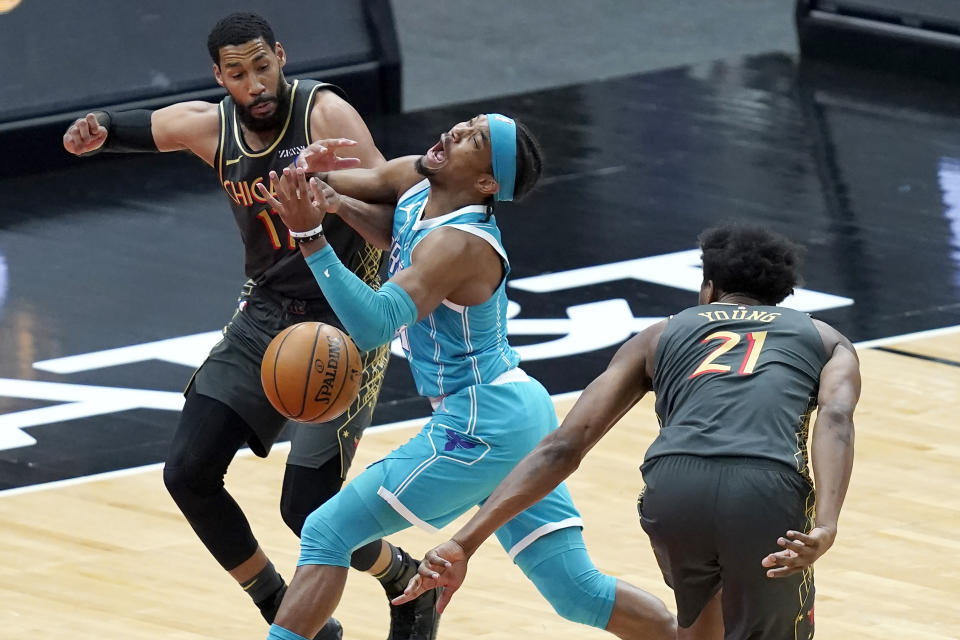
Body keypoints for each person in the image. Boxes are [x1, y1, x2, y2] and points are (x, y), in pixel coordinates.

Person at [60, 12, 440, 640]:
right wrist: (96, 131)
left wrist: (333, 197)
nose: (254, 83)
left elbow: (396, 212)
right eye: (237, 73)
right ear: (220, 77)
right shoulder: (211, 127)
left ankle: (405, 580)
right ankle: (282, 608)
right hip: (264, 311)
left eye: (262, 66)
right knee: (187, 472)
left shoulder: (325, 115)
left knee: (308, 512)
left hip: (343, 321)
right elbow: (138, 128)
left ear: (281, 58)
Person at [255, 113, 678, 640]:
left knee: (327, 530)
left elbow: (374, 324)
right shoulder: (421, 184)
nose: (455, 132)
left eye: (473, 139)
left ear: (486, 183)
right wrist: (314, 179)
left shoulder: (463, 244)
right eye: (466, 124)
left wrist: (311, 235)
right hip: (517, 413)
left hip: (481, 423)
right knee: (577, 593)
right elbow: (393, 225)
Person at [399, 224, 860, 640]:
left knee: (699, 630)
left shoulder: (659, 335)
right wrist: (826, 523)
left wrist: (464, 542)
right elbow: (835, 420)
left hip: (674, 487)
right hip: (765, 484)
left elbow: (563, 447)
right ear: (781, 298)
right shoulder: (824, 338)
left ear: (709, 289)